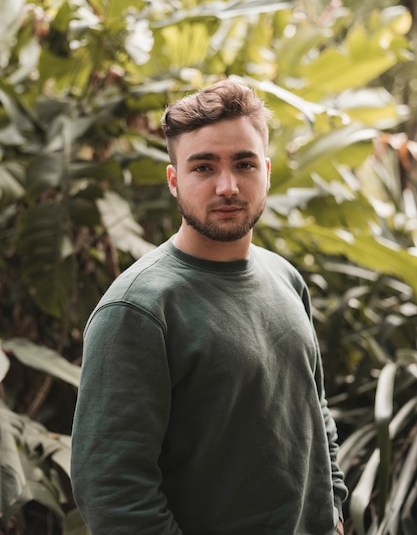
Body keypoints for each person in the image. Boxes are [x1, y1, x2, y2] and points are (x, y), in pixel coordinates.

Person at [70, 79, 348, 535]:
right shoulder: (138, 309)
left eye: (244, 164)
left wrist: (333, 509)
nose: (227, 186)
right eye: (203, 167)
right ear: (174, 180)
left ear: (267, 171)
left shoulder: (286, 278)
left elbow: (313, 409)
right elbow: (112, 490)